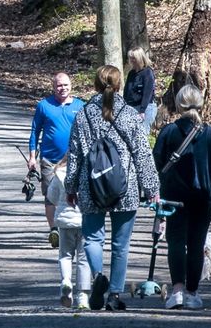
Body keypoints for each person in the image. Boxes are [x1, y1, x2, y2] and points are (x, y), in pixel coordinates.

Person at [64, 65, 159, 311]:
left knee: (93, 238)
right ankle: (114, 295)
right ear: (119, 86)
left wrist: (70, 186)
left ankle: (98, 277)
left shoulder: (83, 114)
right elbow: (142, 155)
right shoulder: (129, 114)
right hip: (124, 187)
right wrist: (151, 188)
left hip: (91, 185)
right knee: (121, 244)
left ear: (95, 85)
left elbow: (74, 154)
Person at [154, 84, 211, 310]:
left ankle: (176, 291)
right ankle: (193, 293)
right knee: (196, 243)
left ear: (178, 105)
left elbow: (156, 162)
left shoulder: (168, 132)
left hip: (174, 196)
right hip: (204, 196)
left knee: (175, 241)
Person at [28, 72, 85, 248]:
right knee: (50, 196)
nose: (63, 88)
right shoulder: (44, 106)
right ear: (53, 87)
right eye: (59, 85)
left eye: (66, 85)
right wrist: (32, 156)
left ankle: (74, 228)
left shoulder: (80, 105)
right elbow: (35, 132)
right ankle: (55, 231)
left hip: (73, 160)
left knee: (74, 194)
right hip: (50, 160)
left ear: (71, 86)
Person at [46, 162, 90, 308]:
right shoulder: (88, 169)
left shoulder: (59, 173)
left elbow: (51, 197)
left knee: (65, 255)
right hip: (85, 220)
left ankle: (66, 281)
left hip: (65, 222)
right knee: (83, 259)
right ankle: (83, 296)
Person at [123, 48, 157, 134]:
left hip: (145, 108)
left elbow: (147, 93)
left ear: (140, 58)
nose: (131, 60)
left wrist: (142, 111)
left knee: (142, 134)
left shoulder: (147, 73)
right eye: (130, 58)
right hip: (131, 108)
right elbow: (127, 91)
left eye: (133, 58)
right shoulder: (131, 73)